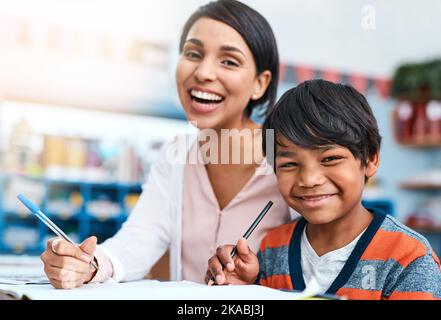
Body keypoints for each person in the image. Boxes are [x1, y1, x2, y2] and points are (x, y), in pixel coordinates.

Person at [40, 0, 293, 289]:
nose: (203, 72)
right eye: (193, 53)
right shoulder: (176, 155)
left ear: (260, 83)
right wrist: (90, 264)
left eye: (228, 61)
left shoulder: (288, 158)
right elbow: (140, 239)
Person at [206, 79, 441, 300]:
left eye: (330, 159)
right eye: (289, 164)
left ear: (370, 159)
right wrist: (243, 293)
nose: (309, 179)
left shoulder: (409, 258)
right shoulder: (273, 247)